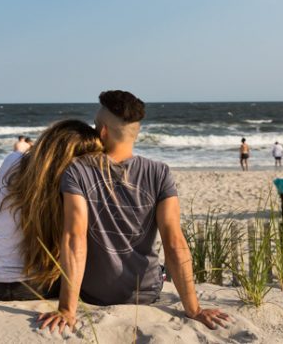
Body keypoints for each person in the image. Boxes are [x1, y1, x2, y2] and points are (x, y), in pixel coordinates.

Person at [38, 90, 230, 333]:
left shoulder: (77, 171)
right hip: (146, 293)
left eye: (96, 125)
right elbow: (174, 242)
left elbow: (74, 238)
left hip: (94, 294)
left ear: (103, 131)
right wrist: (194, 310)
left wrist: (67, 309)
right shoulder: (159, 173)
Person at [0, 120, 102, 301]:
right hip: (40, 286)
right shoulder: (76, 187)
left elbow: (1, 185)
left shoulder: (12, 161)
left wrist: (23, 153)